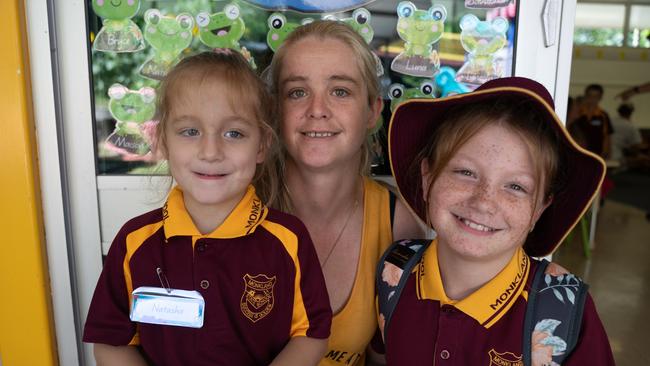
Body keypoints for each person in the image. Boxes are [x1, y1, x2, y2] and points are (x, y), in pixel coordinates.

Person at [83, 51, 332, 366]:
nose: (211, 151)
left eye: (233, 133)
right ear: (161, 140)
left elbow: (311, 334)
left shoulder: (288, 239)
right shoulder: (135, 242)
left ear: (261, 146)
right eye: (190, 131)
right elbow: (110, 342)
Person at [379, 77, 615, 365]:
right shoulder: (395, 270)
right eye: (465, 172)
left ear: (540, 208)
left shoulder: (566, 311)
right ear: (428, 178)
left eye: (515, 187)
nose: (483, 201)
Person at [266, 20, 425, 365]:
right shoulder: (237, 208)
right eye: (297, 92)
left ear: (371, 111)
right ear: (276, 110)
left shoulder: (398, 225)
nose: (317, 109)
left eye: (340, 91)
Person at [572, 84, 614, 158]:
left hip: (597, 154)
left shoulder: (603, 115)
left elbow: (607, 137)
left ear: (600, 97)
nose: (592, 99)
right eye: (589, 96)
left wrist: (606, 153)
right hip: (577, 152)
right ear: (585, 96)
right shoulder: (577, 113)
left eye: (595, 96)